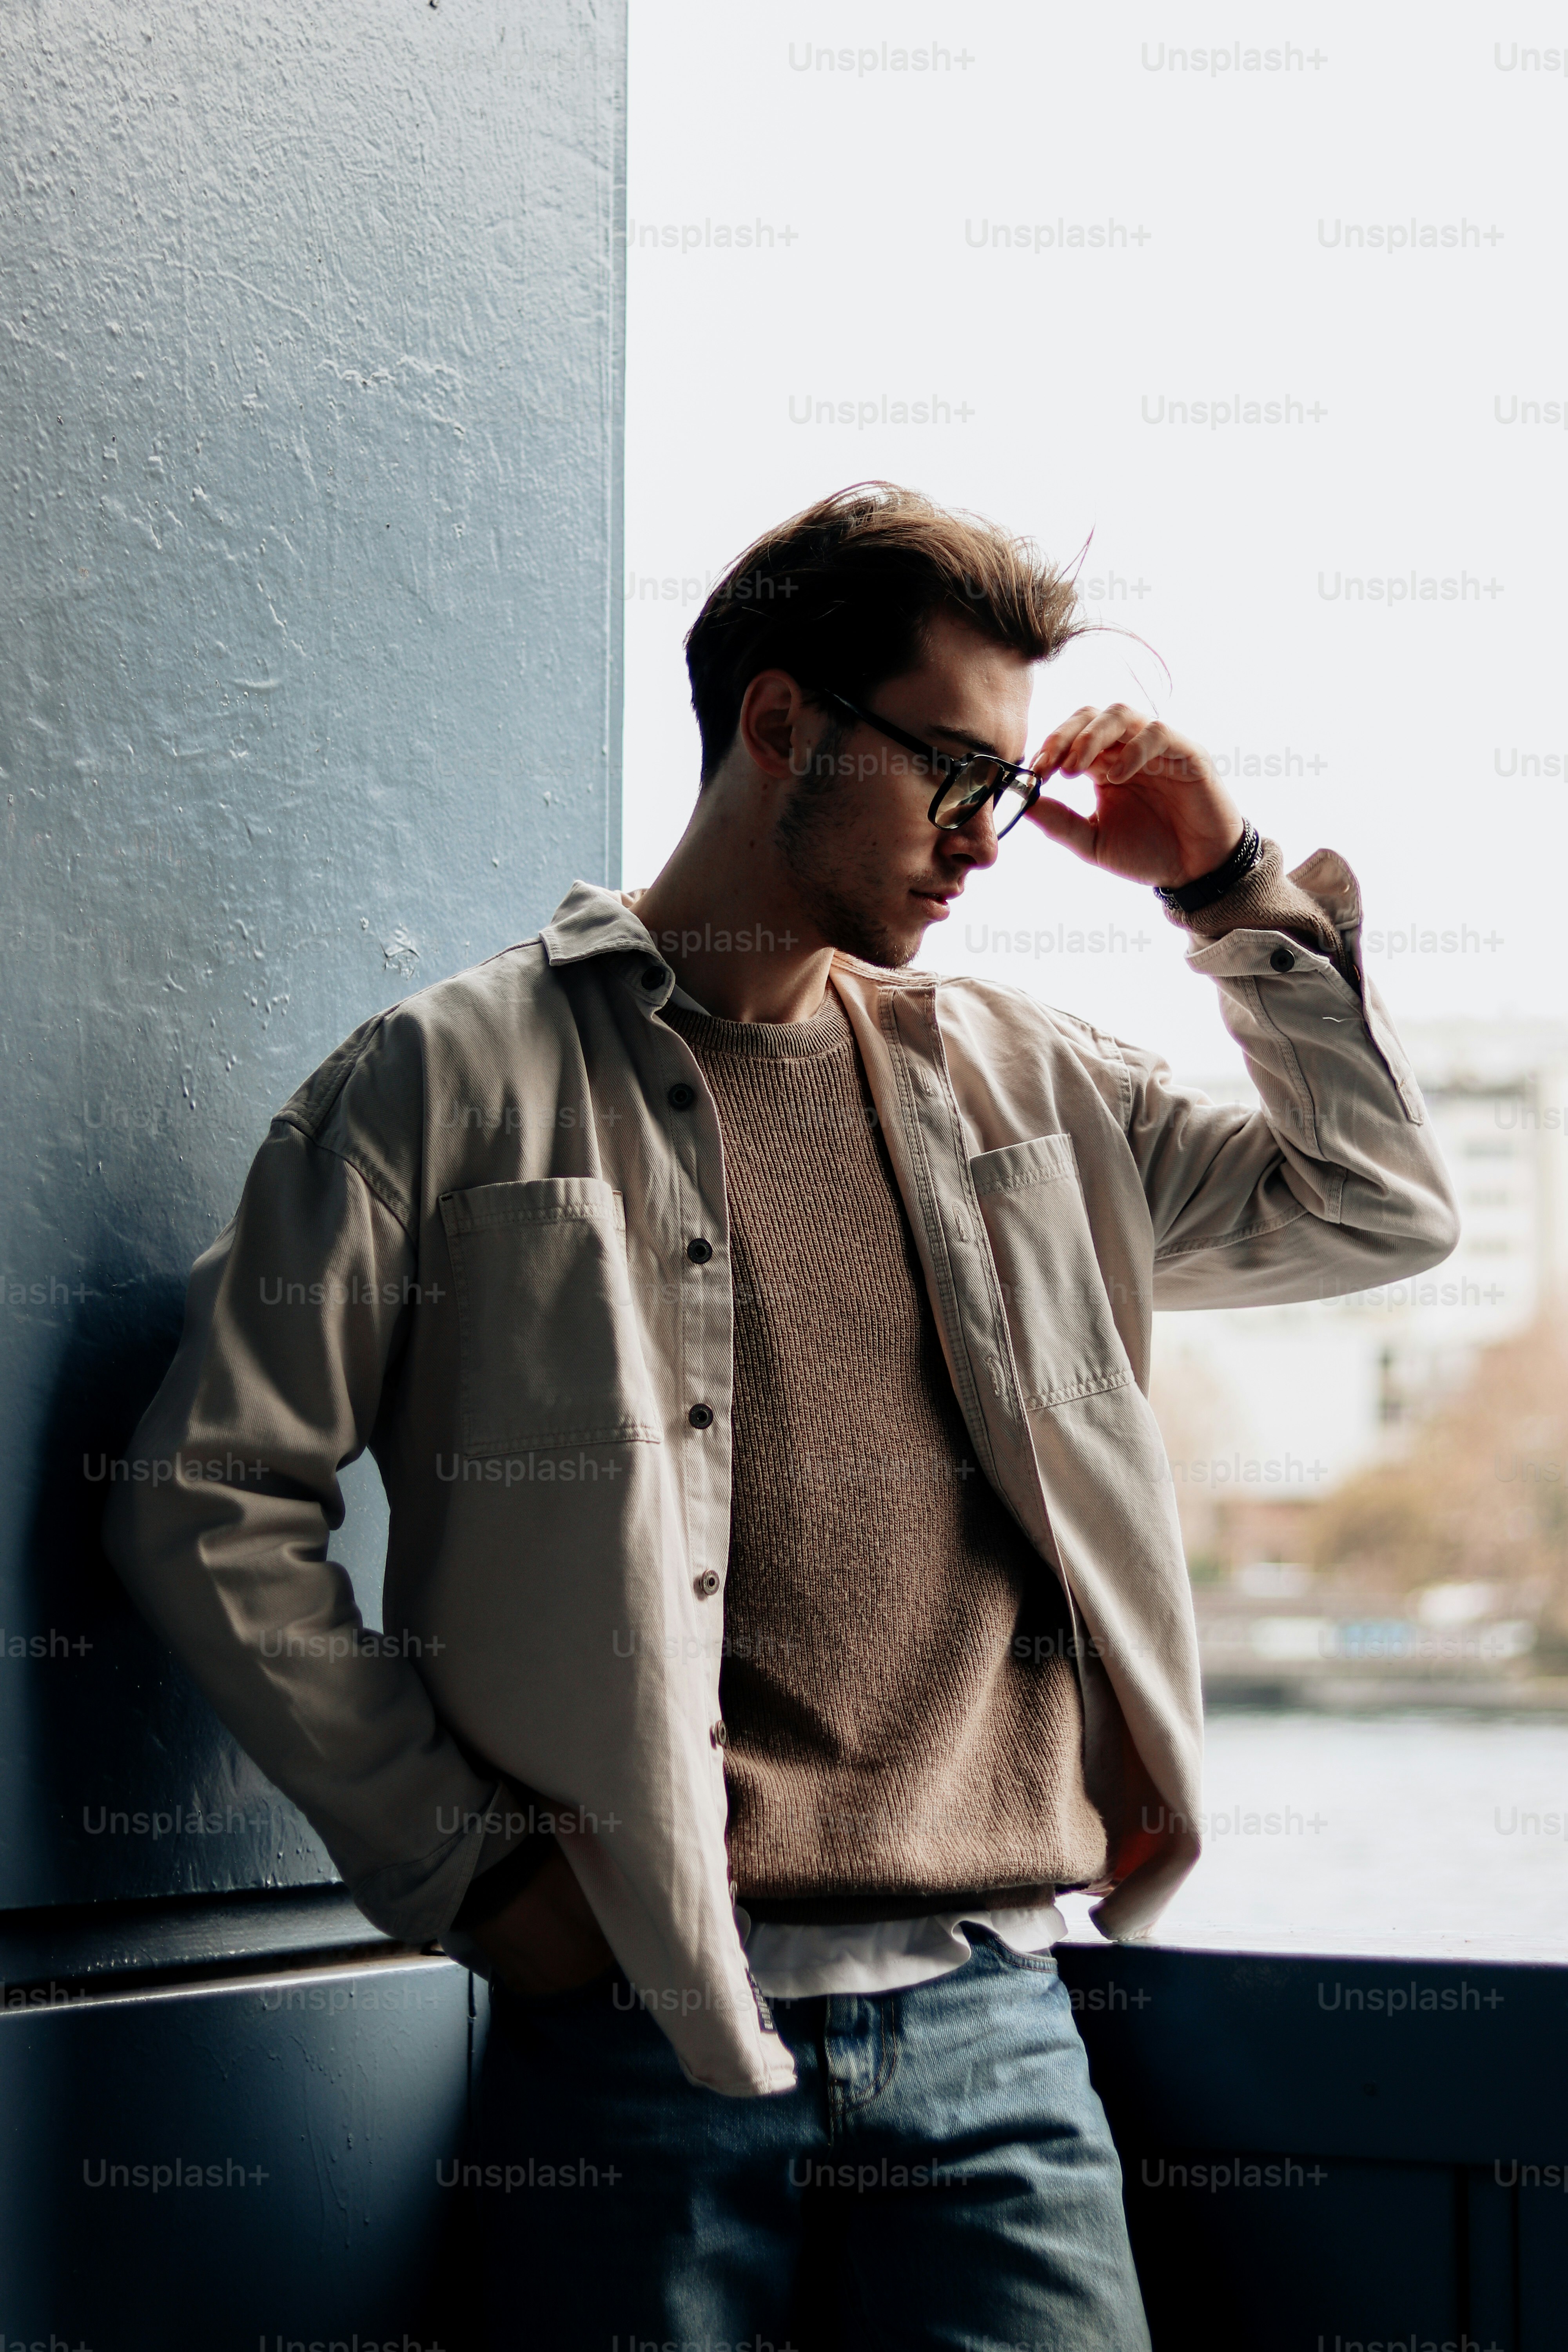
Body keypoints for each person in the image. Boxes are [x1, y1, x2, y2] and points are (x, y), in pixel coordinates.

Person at [105, 482, 1459, 2348]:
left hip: (999, 2026)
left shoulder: (1025, 1089)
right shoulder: (451, 1080)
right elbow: (208, 1495)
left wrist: (1220, 889)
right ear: (779, 722)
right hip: (636, 2033)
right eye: (955, 775)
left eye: (1010, 788)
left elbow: (1374, 1206)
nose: (989, 840)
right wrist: (476, 1873)